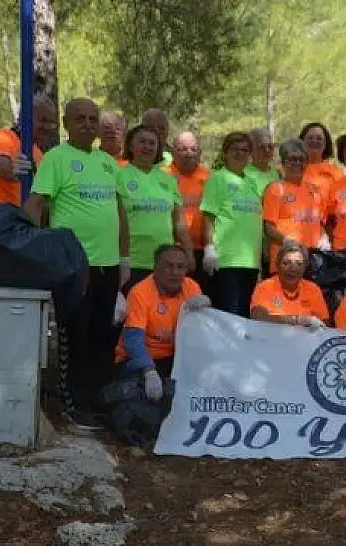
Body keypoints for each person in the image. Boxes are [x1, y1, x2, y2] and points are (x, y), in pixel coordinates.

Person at [25, 97, 127, 430]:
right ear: (66, 124)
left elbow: (120, 211)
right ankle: (73, 406)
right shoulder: (56, 158)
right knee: (75, 337)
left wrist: (124, 258)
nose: (87, 124)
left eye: (93, 118)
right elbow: (37, 204)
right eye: (80, 118)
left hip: (109, 266)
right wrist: (30, 250)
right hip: (73, 266)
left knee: (102, 337)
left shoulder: (109, 163)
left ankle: (96, 400)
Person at [115, 244, 210, 398]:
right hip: (140, 359)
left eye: (180, 267)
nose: (175, 272)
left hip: (176, 358)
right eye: (169, 266)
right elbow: (132, 339)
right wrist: (149, 371)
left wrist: (207, 310)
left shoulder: (191, 287)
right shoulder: (140, 292)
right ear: (156, 267)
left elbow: (200, 333)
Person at [117, 126, 190, 294]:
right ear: (131, 146)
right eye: (142, 142)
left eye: (152, 143)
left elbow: (179, 222)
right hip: (132, 262)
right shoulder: (118, 176)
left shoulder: (168, 180)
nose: (147, 147)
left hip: (165, 265)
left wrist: (188, 253)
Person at [200, 132, 263, 318]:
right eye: (235, 149)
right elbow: (208, 216)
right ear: (225, 153)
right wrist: (209, 248)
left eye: (245, 150)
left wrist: (258, 263)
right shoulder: (217, 179)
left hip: (250, 263)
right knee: (229, 316)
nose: (240, 153)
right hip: (226, 261)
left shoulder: (251, 183)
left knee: (245, 316)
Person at [0, 96, 57, 208]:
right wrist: (15, 171)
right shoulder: (0, 137)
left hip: (25, 220)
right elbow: (3, 168)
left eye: (51, 123)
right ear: (25, 117)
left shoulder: (38, 153)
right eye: (43, 120)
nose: (47, 127)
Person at [262, 138, 326, 274]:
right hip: (286, 260)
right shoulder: (275, 189)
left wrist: (324, 239)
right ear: (283, 163)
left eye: (301, 159)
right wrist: (286, 240)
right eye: (292, 159)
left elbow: (319, 223)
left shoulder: (315, 191)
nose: (297, 163)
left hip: (313, 260)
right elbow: (268, 227)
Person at [250, 241, 331, 328]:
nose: (293, 268)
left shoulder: (313, 289)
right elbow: (258, 317)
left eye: (299, 264)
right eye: (286, 263)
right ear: (277, 265)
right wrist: (298, 320)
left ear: (305, 268)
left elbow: (325, 323)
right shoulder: (265, 287)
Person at [167, 131, 210, 283]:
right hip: (174, 250)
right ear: (173, 152)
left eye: (193, 149)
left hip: (205, 250)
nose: (188, 154)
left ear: (200, 152)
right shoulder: (164, 175)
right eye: (182, 149)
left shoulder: (209, 176)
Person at [299, 122, 345, 198]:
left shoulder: (336, 173)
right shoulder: (291, 170)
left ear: (325, 145)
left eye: (319, 138)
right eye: (310, 138)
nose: (314, 141)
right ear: (301, 142)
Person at [245, 127, 280, 194]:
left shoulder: (276, 171)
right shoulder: (244, 174)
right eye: (261, 147)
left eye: (270, 146)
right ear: (250, 151)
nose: (267, 151)